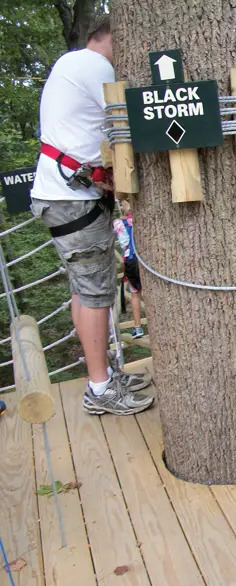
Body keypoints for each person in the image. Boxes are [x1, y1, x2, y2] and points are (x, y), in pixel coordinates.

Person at [29, 15, 152, 416]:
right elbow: (133, 122)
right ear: (113, 38)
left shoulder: (72, 65)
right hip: (72, 200)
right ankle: (101, 389)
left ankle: (102, 377)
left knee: (86, 291)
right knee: (96, 293)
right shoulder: (95, 65)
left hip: (66, 196)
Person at [113, 199, 144, 339]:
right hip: (144, 259)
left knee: (135, 294)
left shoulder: (118, 223)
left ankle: (138, 327)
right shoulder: (141, 219)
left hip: (130, 260)